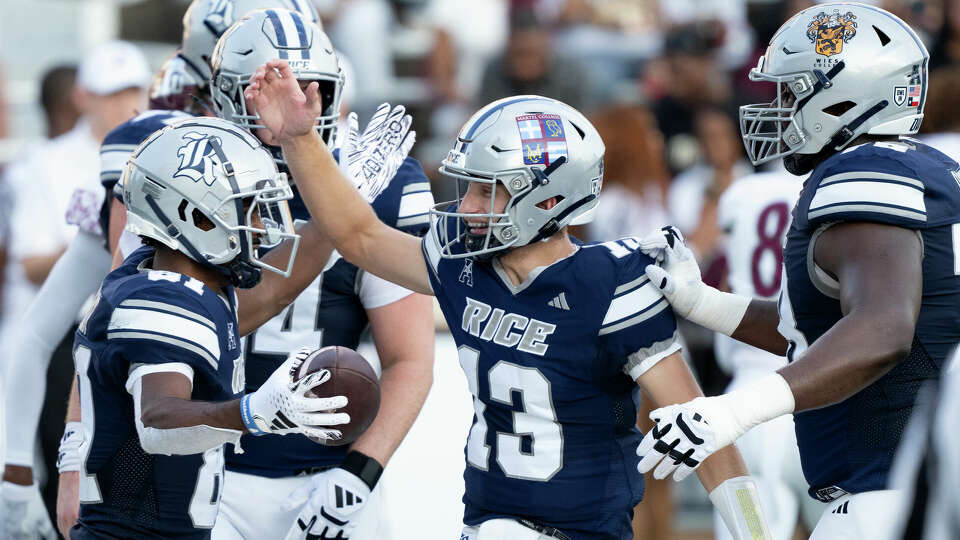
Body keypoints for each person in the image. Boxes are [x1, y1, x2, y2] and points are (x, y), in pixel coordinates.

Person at [244, 61, 773, 539]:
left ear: (546, 197)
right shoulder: (464, 267)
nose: (466, 206)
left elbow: (705, 433)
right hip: (488, 525)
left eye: (485, 190)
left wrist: (756, 534)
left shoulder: (609, 283)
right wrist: (300, 140)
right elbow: (357, 235)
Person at [633, 4, 960, 539]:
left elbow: (883, 328)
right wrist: (701, 301)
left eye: (791, 91)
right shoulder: (929, 168)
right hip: (919, 476)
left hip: (889, 492)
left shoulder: (861, 173)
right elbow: (815, 334)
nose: (778, 108)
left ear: (846, 92)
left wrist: (731, 414)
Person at [205, 9, 435, 540]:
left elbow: (410, 358)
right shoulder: (188, 171)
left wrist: (358, 475)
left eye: (310, 89)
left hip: (322, 474)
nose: (292, 104)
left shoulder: (382, 180)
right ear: (227, 96)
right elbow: (207, 326)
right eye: (266, 90)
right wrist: (334, 221)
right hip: (205, 467)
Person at [70, 116, 353, 540]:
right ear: (196, 215)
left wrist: (343, 203)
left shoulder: (173, 279)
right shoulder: (163, 301)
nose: (262, 227)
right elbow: (159, 422)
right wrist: (253, 413)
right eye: (250, 210)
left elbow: (274, 292)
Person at [0, 40, 151, 540]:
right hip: (69, 335)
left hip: (131, 337)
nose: (126, 104)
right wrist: (106, 251)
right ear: (84, 95)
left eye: (134, 91)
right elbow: (29, 266)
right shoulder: (41, 164)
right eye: (113, 93)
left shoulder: (156, 152)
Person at [711, 170, 824, 540]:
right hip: (820, 399)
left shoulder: (742, 191)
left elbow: (729, 281)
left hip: (745, 405)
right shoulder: (837, 182)